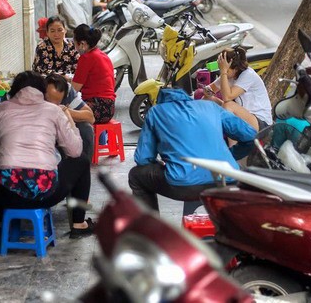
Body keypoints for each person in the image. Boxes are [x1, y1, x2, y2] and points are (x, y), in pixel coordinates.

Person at [0, 71, 95, 238]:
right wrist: (70, 120)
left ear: (13, 91)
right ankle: (79, 223)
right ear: (42, 92)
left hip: (8, 195)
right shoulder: (54, 111)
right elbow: (75, 151)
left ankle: (0, 222)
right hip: (45, 193)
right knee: (82, 161)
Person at [129, 88, 257, 212]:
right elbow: (250, 135)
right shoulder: (211, 107)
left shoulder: (156, 112)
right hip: (228, 181)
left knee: (136, 175)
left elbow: (142, 159)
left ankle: (151, 231)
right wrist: (231, 155)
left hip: (184, 186)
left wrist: (160, 163)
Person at [203, 47, 272, 132]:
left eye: (226, 70)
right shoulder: (228, 75)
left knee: (228, 105)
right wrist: (207, 91)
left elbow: (227, 97)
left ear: (235, 69)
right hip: (243, 115)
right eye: (221, 69)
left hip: (261, 122)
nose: (222, 72)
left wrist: (223, 72)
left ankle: (232, 144)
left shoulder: (248, 75)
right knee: (207, 99)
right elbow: (211, 88)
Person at [72, 24, 116, 124]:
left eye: (74, 42)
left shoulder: (86, 58)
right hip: (109, 107)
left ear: (82, 43)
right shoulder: (102, 55)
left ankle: (85, 140)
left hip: (98, 107)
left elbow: (74, 89)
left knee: (64, 112)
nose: (74, 45)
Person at [45, 73, 95, 162]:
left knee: (86, 129)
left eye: (58, 102)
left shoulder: (68, 92)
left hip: (65, 131)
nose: (53, 106)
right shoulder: (36, 92)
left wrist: (66, 111)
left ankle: (83, 170)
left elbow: (90, 117)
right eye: (49, 101)